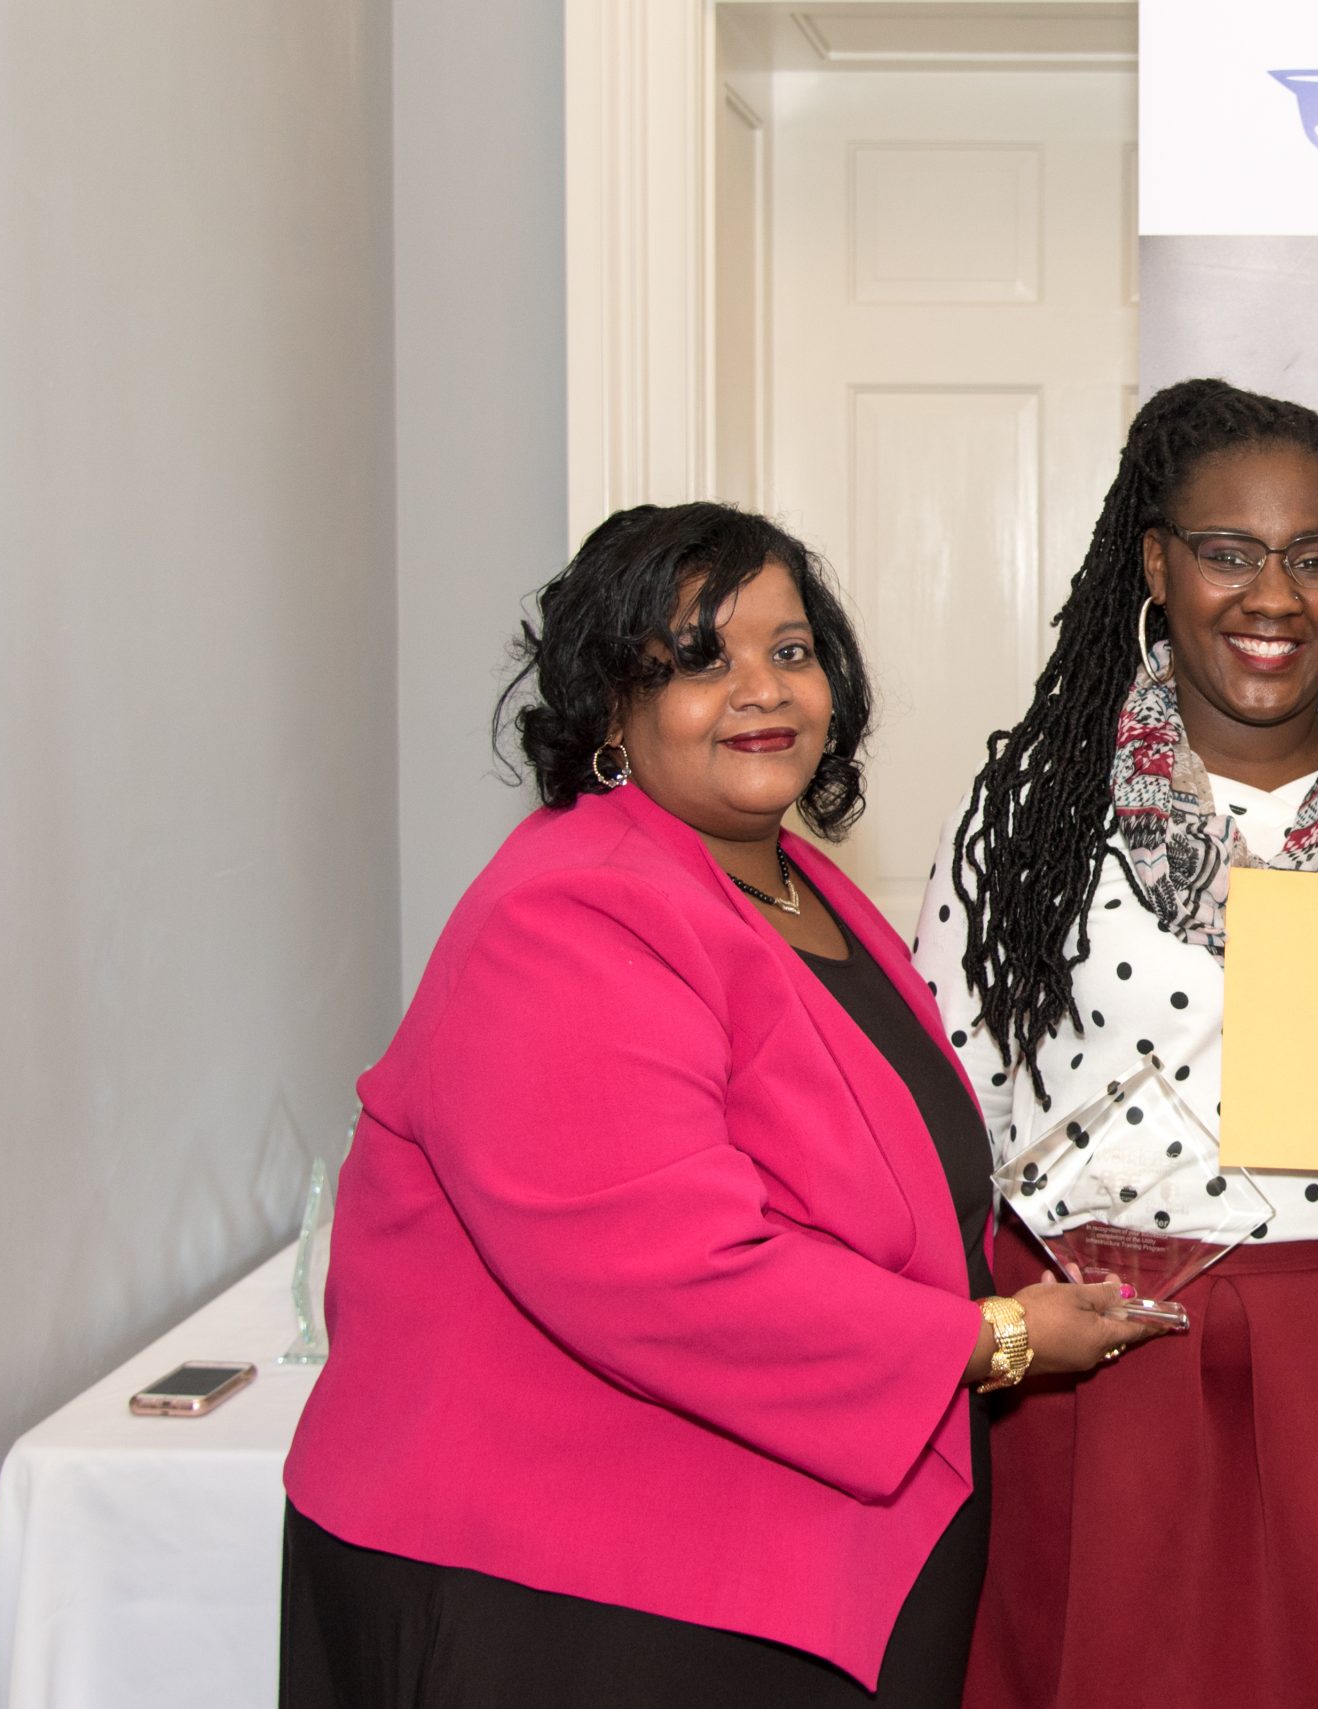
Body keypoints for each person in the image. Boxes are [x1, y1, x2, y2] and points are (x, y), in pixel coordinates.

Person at [280, 503, 1149, 1709]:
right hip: (570, 1590)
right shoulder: (570, 915)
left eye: (789, 650)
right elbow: (673, 1271)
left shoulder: (793, 883)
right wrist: (990, 1337)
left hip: (756, 1545)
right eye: (698, 659)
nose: (761, 689)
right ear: (610, 709)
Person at [914, 380, 1318, 1709]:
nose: (1273, 596)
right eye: (1230, 552)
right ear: (1159, 564)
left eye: (1315, 556)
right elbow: (945, 1096)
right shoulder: (1030, 804)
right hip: (1107, 1355)